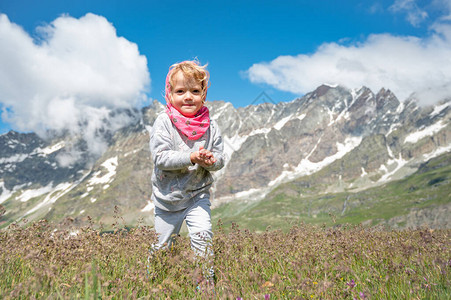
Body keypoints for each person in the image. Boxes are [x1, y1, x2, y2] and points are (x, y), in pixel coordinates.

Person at [149, 60, 224, 283]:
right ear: (169, 95)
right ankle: (152, 285)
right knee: (162, 247)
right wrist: (191, 157)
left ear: (204, 95)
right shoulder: (164, 122)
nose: (188, 96)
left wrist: (211, 161)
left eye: (195, 91)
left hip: (197, 196)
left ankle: (206, 288)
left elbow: (220, 157)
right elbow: (160, 158)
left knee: (203, 238)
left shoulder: (210, 126)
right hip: (167, 200)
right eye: (180, 91)